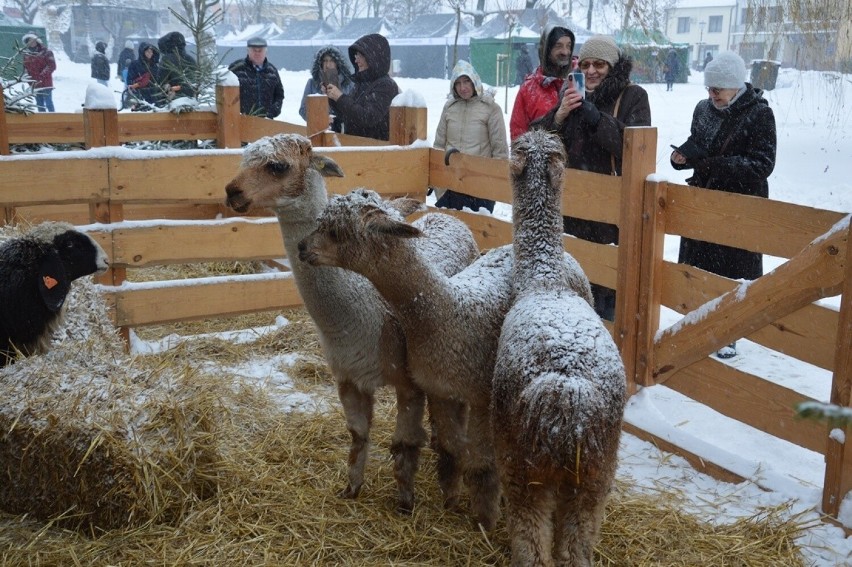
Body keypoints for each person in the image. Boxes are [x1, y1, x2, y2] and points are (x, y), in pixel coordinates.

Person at [532, 34, 651, 322]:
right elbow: (533, 140)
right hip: (572, 209)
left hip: (611, 214)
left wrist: (595, 116)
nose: (591, 71)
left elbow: (633, 146)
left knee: (605, 295)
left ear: (613, 66)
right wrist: (559, 116)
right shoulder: (572, 93)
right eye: (585, 64)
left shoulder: (633, 96)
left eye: (599, 64)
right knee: (571, 291)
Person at [670, 51, 776, 358]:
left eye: (718, 88)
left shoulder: (758, 113)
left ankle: (726, 335)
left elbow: (761, 164)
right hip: (703, 200)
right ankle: (695, 326)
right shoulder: (704, 108)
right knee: (696, 269)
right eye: (708, 88)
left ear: (736, 85)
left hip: (738, 206)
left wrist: (710, 164)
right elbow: (697, 143)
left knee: (730, 275)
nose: (711, 94)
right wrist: (682, 159)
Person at [433, 60, 508, 213]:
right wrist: (440, 187)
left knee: (477, 234)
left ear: (474, 81)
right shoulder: (449, 108)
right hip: (450, 187)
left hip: (480, 188)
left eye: (467, 81)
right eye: (458, 83)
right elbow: (439, 146)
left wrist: (490, 189)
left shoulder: (491, 108)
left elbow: (500, 152)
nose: (463, 87)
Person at [323, 33, 399, 141]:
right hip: (359, 148)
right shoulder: (361, 83)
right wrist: (333, 98)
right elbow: (349, 115)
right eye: (356, 55)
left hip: (376, 151)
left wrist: (340, 97)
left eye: (361, 56)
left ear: (374, 57)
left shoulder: (386, 86)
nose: (356, 60)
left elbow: (368, 117)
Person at [509, 24, 575, 140]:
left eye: (568, 46)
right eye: (558, 46)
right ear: (546, 49)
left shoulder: (582, 78)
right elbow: (518, 135)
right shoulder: (529, 89)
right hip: (545, 156)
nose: (565, 52)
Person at [298, 45, 354, 132]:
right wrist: (321, 119)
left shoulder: (348, 84)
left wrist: (339, 119)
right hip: (318, 132)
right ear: (320, 63)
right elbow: (303, 110)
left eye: (331, 61)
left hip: (344, 133)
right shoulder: (312, 83)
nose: (328, 65)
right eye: (325, 61)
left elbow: (354, 111)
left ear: (338, 63)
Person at [228, 37, 285, 119]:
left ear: (266, 52)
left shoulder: (272, 71)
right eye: (254, 50)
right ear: (248, 51)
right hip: (241, 121)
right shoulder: (236, 68)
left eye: (260, 50)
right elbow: (227, 94)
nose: (257, 53)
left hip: (266, 122)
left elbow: (279, 95)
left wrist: (271, 113)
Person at [157, 31, 197, 100]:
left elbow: (161, 80)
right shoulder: (190, 59)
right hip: (191, 98)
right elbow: (196, 80)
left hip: (172, 97)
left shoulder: (166, 59)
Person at [21, 32, 56, 112]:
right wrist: (29, 80)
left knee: (48, 103)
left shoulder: (46, 52)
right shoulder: (26, 55)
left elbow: (52, 66)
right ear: (27, 42)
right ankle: (42, 121)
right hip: (34, 84)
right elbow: (25, 68)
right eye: (29, 40)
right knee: (39, 104)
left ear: (37, 41)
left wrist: (42, 75)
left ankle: (53, 119)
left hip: (46, 83)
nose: (32, 42)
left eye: (33, 40)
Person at [126, 42, 160, 108]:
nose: (150, 53)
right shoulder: (135, 64)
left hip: (153, 95)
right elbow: (130, 79)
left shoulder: (154, 66)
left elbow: (157, 79)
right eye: (147, 51)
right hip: (140, 94)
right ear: (143, 52)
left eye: (151, 52)